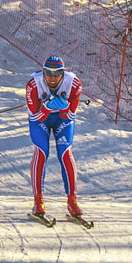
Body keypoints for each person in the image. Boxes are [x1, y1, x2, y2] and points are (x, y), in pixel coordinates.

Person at [25, 55, 84, 218]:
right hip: (41, 119)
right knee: (41, 152)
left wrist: (65, 108)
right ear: (43, 72)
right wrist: (47, 108)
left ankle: (72, 201)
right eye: (48, 73)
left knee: (65, 153)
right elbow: (35, 117)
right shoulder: (33, 84)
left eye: (57, 73)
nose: (52, 78)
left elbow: (70, 116)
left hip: (61, 120)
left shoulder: (74, 83)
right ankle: (38, 201)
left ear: (63, 73)